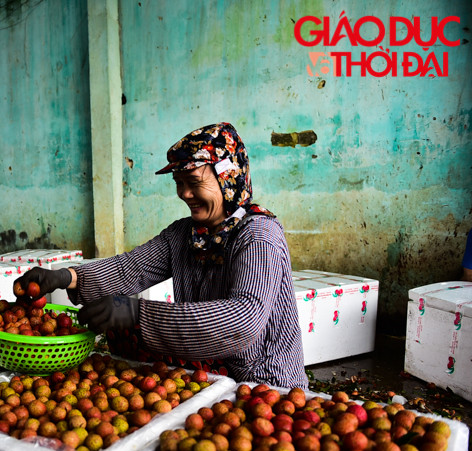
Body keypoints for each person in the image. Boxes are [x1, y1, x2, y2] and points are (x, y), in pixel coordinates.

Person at [15, 122, 307, 388]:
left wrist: (136, 313)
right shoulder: (185, 234)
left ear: (227, 178)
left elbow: (244, 319)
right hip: (209, 372)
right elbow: (130, 268)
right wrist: (65, 277)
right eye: (179, 183)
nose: (184, 194)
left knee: (133, 323)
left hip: (263, 382)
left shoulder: (258, 236)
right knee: (123, 331)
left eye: (194, 182)